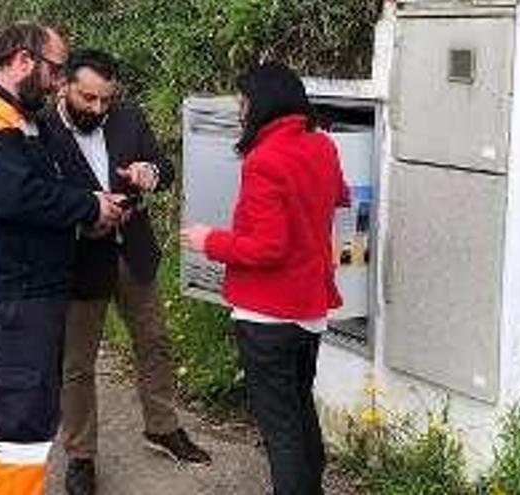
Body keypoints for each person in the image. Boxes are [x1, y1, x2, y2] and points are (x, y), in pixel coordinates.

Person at [0, 24, 126, 495]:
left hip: (33, 292)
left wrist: (89, 208)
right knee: (23, 423)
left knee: (22, 418)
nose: (57, 82)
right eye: (55, 70)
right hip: (14, 295)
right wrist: (88, 207)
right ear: (24, 61)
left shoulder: (19, 116)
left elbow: (49, 184)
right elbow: (16, 195)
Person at [38, 48, 211, 495]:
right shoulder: (40, 128)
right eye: (88, 99)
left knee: (154, 341)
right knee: (77, 363)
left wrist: (150, 173)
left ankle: (162, 426)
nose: (98, 109)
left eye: (106, 101)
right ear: (64, 86)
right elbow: (35, 199)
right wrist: (84, 216)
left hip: (133, 250)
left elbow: (165, 169)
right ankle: (80, 455)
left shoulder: (128, 117)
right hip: (78, 259)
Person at [181, 62, 348, 495]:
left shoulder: (264, 160)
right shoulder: (323, 147)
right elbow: (341, 197)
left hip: (267, 316)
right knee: (299, 411)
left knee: (281, 430)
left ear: (263, 104)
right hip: (309, 311)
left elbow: (266, 247)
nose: (240, 113)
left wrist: (209, 240)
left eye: (244, 104)